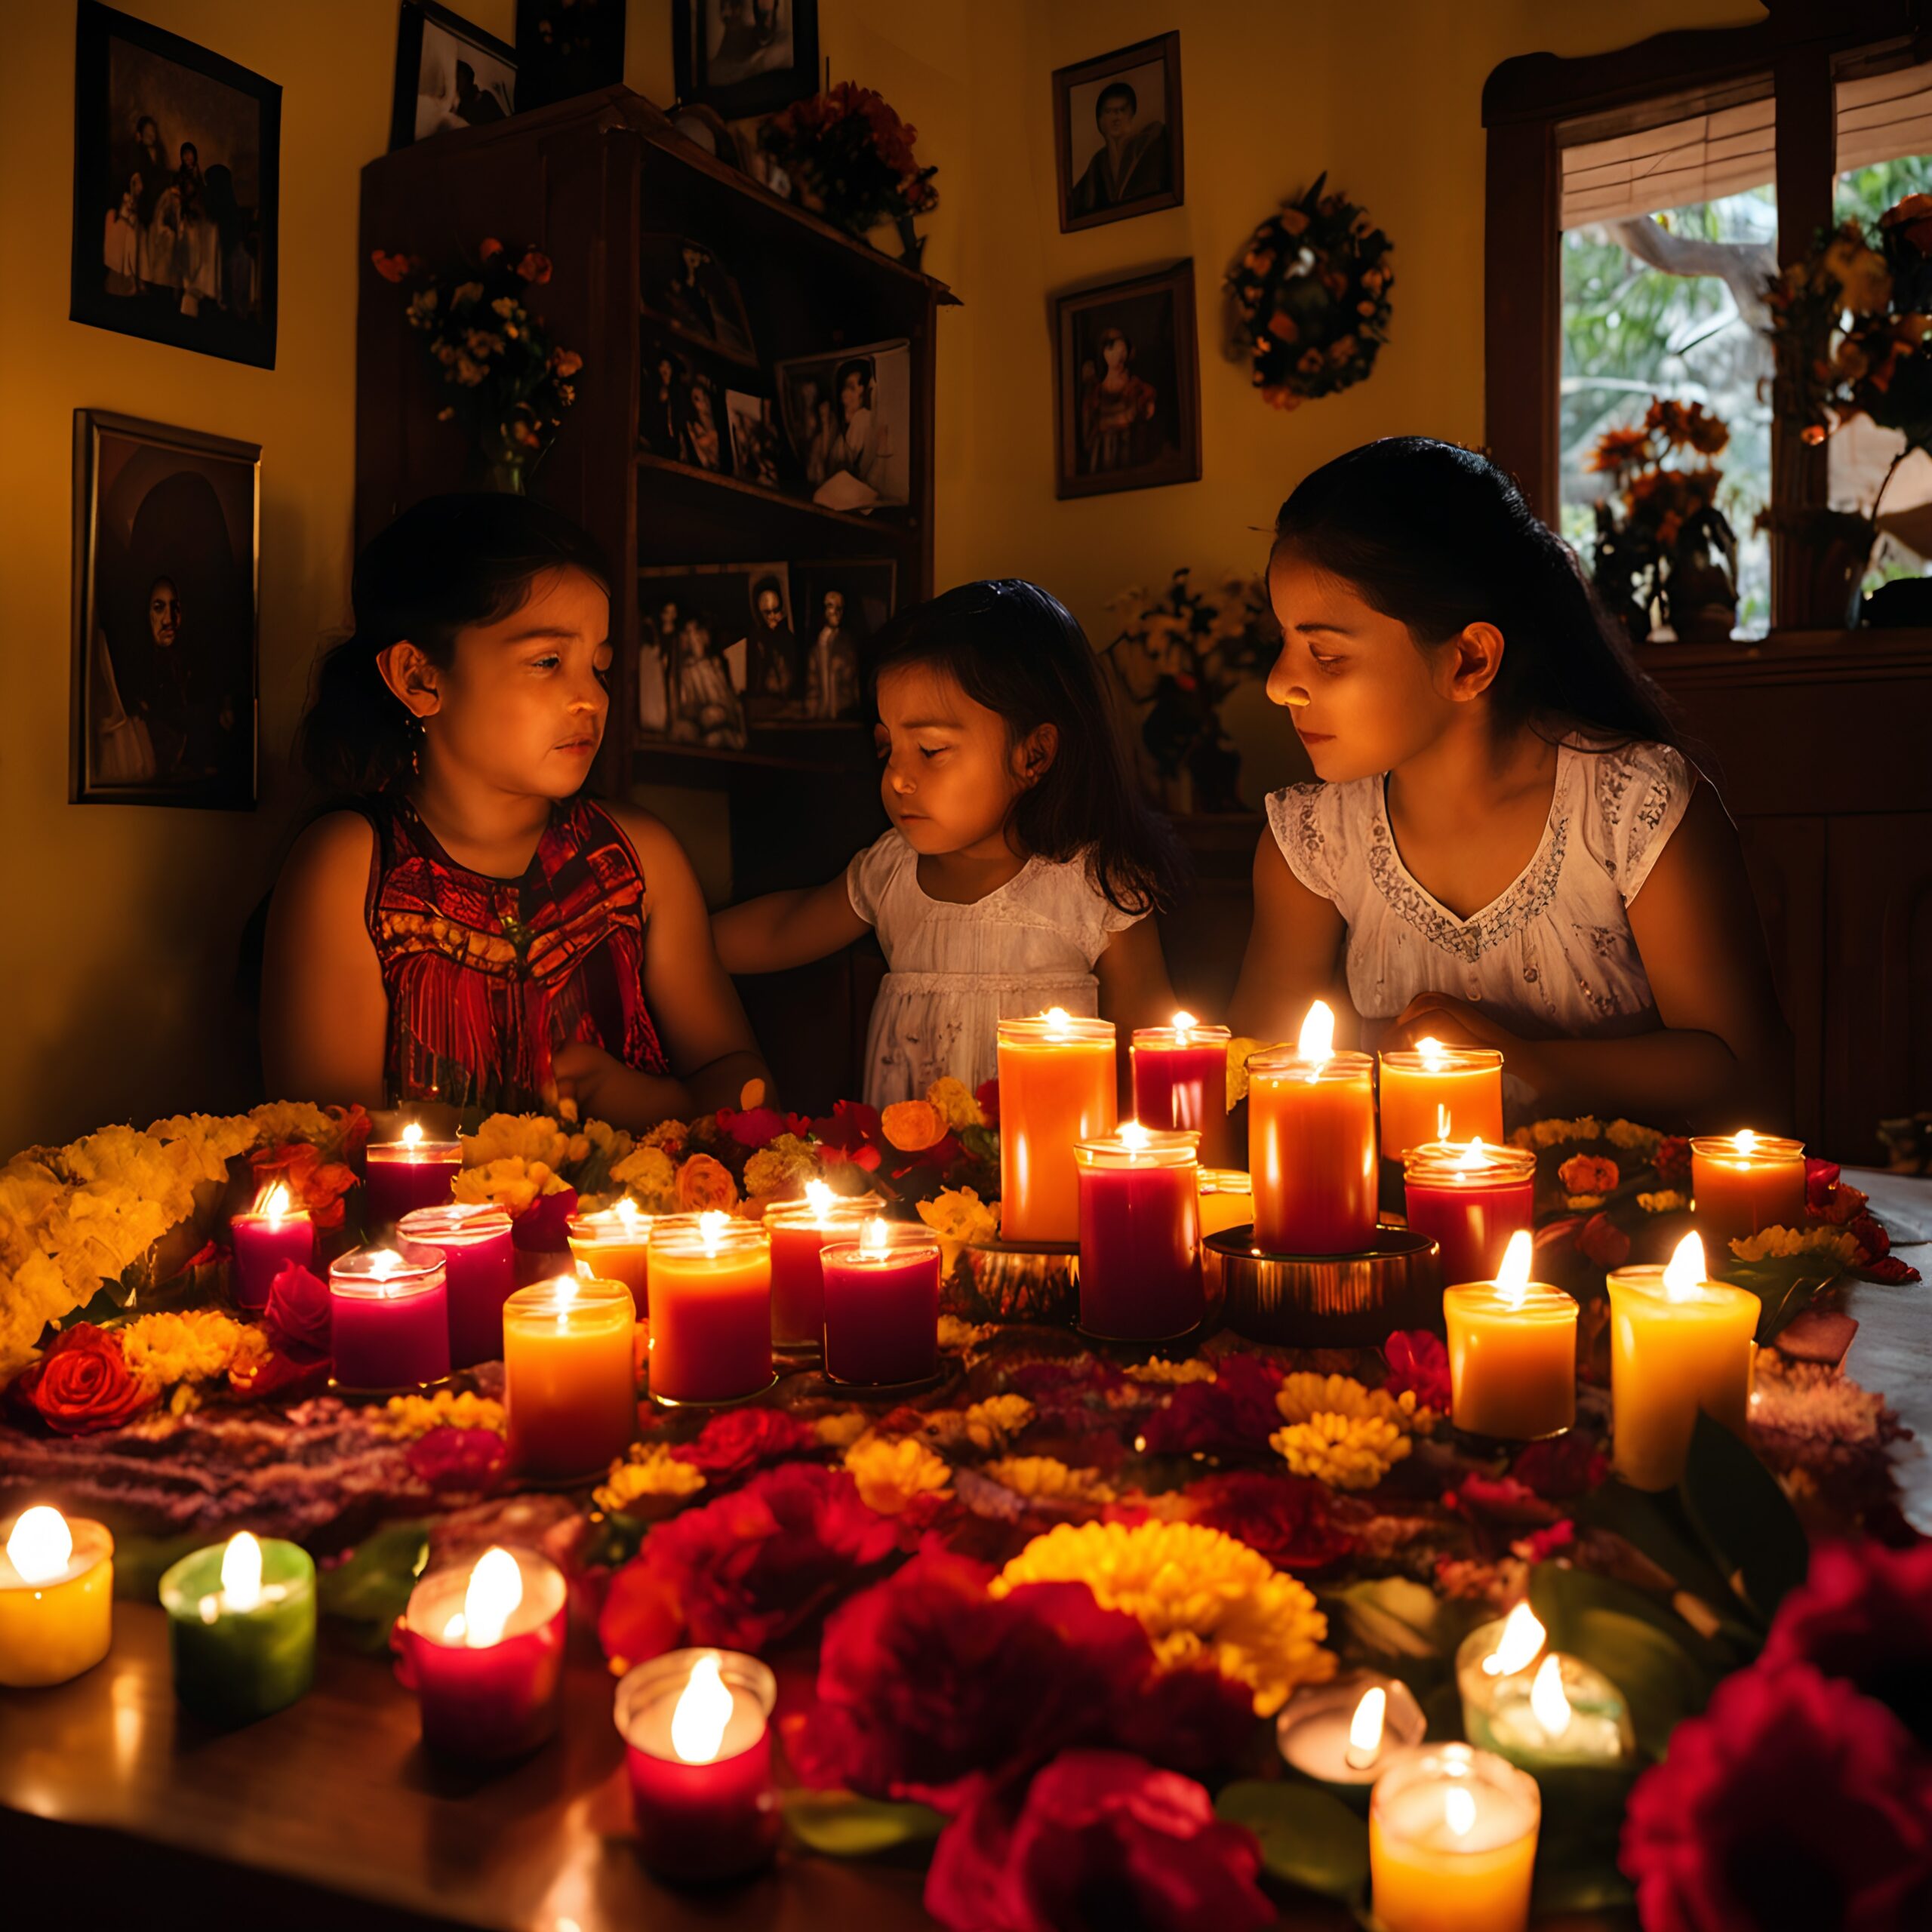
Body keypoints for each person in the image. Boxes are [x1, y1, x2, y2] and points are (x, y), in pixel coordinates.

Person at [1228, 437, 1792, 1131]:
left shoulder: (1630, 812)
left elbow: (1749, 1078)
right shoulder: (1313, 845)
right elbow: (1254, 1082)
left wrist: (1534, 1063)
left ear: (1468, 660)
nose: (1280, 684)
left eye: (1326, 655)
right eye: (1282, 643)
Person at [263, 494, 768, 1126]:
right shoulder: (351, 868)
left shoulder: (635, 860)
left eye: (599, 666)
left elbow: (748, 1083)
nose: (590, 698)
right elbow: (327, 1146)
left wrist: (666, 1101)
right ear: (419, 677)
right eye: (548, 662)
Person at [714, 579, 1183, 1106]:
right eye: (887, 747)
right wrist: (654, 943)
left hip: (1051, 1174)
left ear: (1034, 756)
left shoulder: (1095, 886)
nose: (896, 778)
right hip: (913, 1174)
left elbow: (1155, 1049)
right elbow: (782, 930)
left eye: (931, 750)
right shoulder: (892, 871)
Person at [1068, 78, 1171, 220]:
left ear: (1132, 114)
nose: (1116, 118)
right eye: (1109, 112)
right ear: (1100, 120)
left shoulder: (1152, 144)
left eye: (1122, 110)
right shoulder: (1099, 163)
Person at [1080, 327, 1158, 474]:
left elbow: (1146, 411)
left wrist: (1144, 406)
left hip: (1126, 443)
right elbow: (1088, 418)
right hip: (1104, 445)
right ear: (1104, 353)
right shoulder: (1097, 390)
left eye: (1123, 351)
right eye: (1113, 350)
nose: (1119, 356)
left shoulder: (1135, 387)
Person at [804, 588, 860, 721]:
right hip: (820, 712)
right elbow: (812, 681)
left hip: (843, 710)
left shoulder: (847, 641)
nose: (836, 612)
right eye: (831, 606)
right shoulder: (817, 643)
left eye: (840, 608)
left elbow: (853, 676)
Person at [749, 576, 798, 702]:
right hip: (765, 699)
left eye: (775, 610)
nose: (772, 616)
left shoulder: (788, 637)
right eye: (767, 612)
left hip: (788, 697)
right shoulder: (756, 639)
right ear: (760, 612)